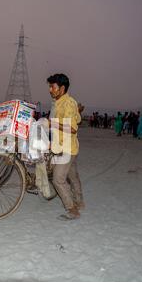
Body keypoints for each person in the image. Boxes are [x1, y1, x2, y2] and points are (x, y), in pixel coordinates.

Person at [47, 73, 84, 221]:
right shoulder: (59, 102)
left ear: (62, 88)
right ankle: (80, 202)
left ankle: (73, 210)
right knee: (73, 176)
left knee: (58, 179)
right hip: (63, 145)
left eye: (53, 87)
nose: (50, 90)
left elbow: (73, 128)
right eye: (49, 87)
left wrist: (51, 124)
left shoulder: (68, 103)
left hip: (67, 148)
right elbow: (77, 120)